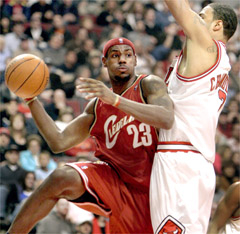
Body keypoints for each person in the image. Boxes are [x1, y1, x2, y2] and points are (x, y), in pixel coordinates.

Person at [7, 37, 174, 234]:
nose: (122, 60)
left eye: (128, 55)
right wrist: (31, 98)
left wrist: (116, 100)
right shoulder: (97, 106)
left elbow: (166, 118)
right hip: (114, 181)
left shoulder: (148, 84)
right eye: (115, 55)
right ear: (104, 62)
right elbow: (59, 141)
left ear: (135, 61)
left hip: (152, 188)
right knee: (61, 176)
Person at [150, 1, 238, 234]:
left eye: (201, 16)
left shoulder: (207, 45)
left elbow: (179, 8)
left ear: (217, 25)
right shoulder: (220, 62)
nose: (195, 19)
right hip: (197, 163)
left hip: (179, 158)